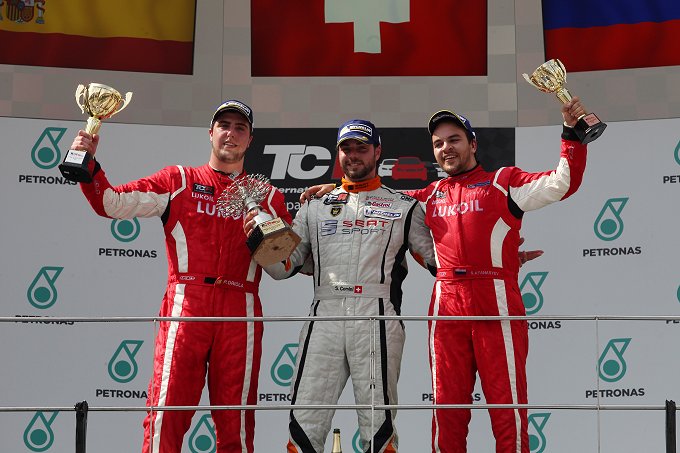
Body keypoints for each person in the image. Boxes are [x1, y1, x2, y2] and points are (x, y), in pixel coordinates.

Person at [302, 99, 587, 452]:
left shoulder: (503, 182)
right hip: (447, 304)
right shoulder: (427, 196)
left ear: (473, 144)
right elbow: (376, 199)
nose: (446, 148)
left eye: (454, 140)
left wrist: (570, 134)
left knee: (507, 409)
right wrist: (338, 189)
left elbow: (562, 182)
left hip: (496, 298)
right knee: (447, 411)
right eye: (438, 143)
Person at [69, 100, 291, 453]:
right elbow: (110, 203)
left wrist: (267, 238)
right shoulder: (178, 180)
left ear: (250, 140)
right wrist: (88, 163)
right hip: (187, 305)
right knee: (165, 414)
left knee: (236, 425)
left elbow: (285, 267)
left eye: (240, 128)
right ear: (210, 133)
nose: (231, 133)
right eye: (224, 125)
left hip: (241, 309)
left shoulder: (269, 197)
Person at [246, 119, 438, 453]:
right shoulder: (314, 206)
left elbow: (440, 261)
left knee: (378, 426)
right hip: (325, 315)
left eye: (361, 148)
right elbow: (285, 267)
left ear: (377, 152)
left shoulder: (404, 206)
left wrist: (496, 258)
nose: (353, 155)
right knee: (305, 421)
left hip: (377, 316)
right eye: (346, 148)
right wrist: (260, 238)